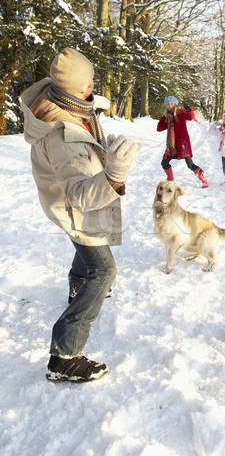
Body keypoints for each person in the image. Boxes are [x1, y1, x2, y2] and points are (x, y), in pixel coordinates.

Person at [20, 47, 140, 383]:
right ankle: (64, 353)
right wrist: (114, 175)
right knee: (103, 270)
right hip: (72, 208)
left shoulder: (63, 100)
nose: (93, 88)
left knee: (88, 255)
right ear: (73, 92)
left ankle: (77, 287)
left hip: (68, 205)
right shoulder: (62, 138)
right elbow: (80, 197)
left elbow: (82, 113)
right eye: (87, 85)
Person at [157, 96, 209, 187]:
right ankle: (170, 178)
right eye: (168, 104)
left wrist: (189, 110)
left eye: (172, 103)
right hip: (172, 144)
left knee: (189, 164)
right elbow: (159, 129)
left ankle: (204, 180)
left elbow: (190, 117)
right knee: (164, 162)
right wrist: (162, 119)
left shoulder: (180, 112)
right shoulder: (168, 117)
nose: (170, 105)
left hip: (182, 143)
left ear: (175, 104)